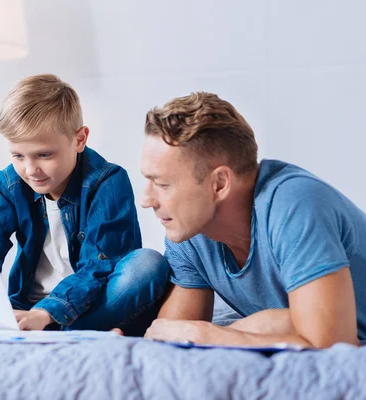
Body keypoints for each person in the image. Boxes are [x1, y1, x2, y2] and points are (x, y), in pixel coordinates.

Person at [140, 91, 365, 348]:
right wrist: (268, 325)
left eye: (162, 184)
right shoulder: (190, 231)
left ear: (219, 183)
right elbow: (167, 336)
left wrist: (219, 333)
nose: (146, 200)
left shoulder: (295, 203)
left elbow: (333, 343)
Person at [0, 74, 169, 334]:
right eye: (18, 155)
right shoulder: (10, 183)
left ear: (79, 139)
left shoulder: (107, 181)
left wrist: (47, 312)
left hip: (89, 305)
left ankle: (66, 331)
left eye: (44, 155)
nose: (30, 170)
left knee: (148, 265)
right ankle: (55, 330)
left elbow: (99, 266)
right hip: (28, 306)